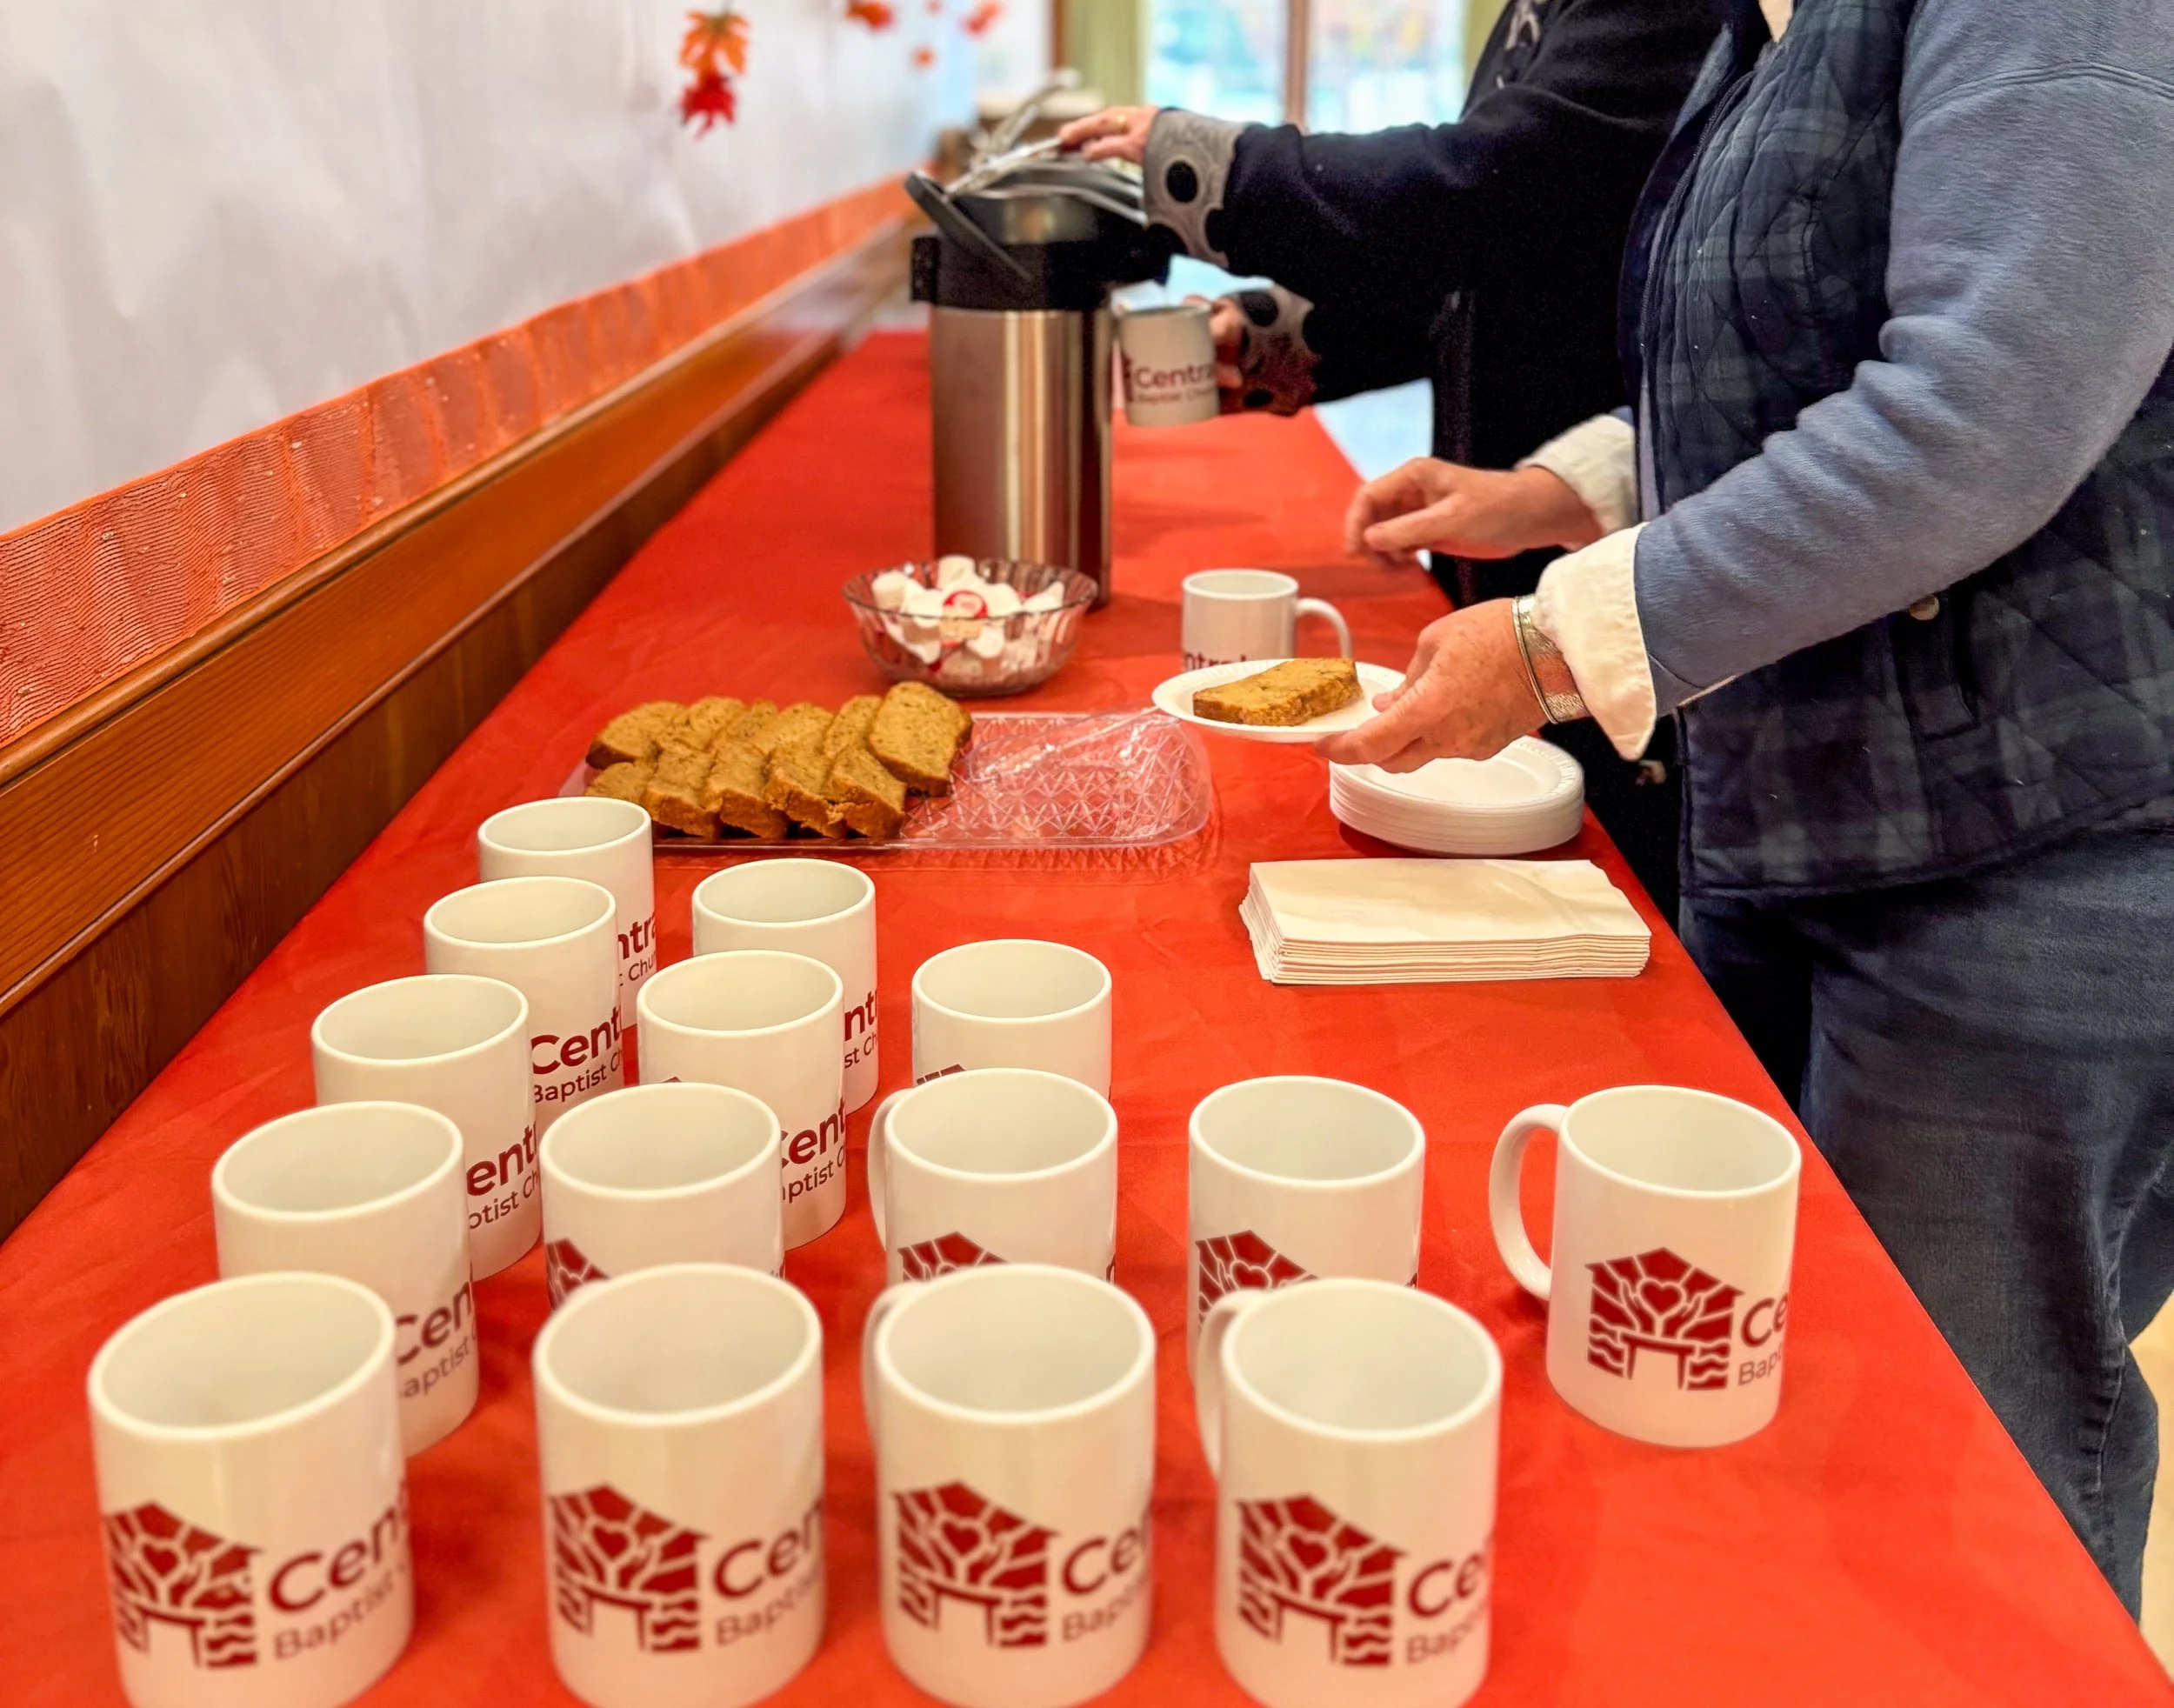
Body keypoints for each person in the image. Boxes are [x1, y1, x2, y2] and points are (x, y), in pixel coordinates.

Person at [1318, 0, 2174, 1611]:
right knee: (1767, 1404)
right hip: (1817, 813)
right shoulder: (1772, 21)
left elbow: (1972, 415)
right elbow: (1779, 354)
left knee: (1950, 1466)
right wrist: (1557, 493)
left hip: (2029, 849)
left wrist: (1549, 637)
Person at [1060, 0, 1725, 924]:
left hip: (1638, 583)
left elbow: (1487, 190)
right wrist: (1278, 338)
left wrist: (1221, 169)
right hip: (1537, 524)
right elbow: (1494, 265)